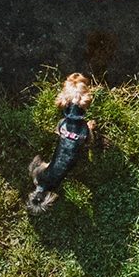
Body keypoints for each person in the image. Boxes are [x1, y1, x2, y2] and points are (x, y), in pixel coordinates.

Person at [27, 73, 97, 214]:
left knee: (51, 168)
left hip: (47, 174)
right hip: (67, 166)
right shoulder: (83, 130)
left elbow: (58, 132)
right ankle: (40, 183)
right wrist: (90, 128)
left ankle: (39, 184)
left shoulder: (62, 124)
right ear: (85, 101)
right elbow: (89, 141)